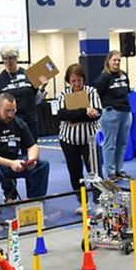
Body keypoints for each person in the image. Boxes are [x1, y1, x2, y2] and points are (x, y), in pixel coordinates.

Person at [0, 92, 50, 206]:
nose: (10, 115)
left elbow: (32, 145)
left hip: (11, 162)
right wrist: (11, 163)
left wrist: (31, 160)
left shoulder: (18, 122)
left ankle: (34, 206)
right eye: (7, 111)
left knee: (42, 165)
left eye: (13, 110)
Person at [56, 64, 102, 213]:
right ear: (68, 81)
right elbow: (63, 115)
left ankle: (98, 202)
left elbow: (97, 113)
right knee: (74, 171)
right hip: (69, 140)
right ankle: (82, 202)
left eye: (79, 80)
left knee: (94, 171)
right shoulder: (63, 94)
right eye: (73, 81)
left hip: (90, 139)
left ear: (84, 80)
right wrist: (84, 110)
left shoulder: (91, 91)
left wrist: (74, 113)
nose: (76, 84)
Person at [0, 45, 48, 140]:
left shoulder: (29, 74)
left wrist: (42, 88)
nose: (8, 62)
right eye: (5, 59)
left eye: (11, 58)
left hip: (29, 121)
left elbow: (36, 100)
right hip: (10, 122)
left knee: (30, 150)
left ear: (17, 58)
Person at [93, 50, 132, 181]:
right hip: (111, 113)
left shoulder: (124, 75)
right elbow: (96, 94)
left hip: (125, 112)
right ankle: (110, 172)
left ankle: (119, 169)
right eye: (114, 60)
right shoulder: (104, 77)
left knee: (122, 143)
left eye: (119, 60)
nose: (116, 63)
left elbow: (127, 90)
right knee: (110, 144)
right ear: (108, 61)